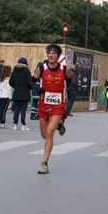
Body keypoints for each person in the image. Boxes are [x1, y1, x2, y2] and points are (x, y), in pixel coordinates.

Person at [32, 44, 71, 174]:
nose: (51, 55)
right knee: (44, 135)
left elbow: (71, 82)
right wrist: (37, 88)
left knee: (49, 132)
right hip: (44, 104)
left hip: (58, 104)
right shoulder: (41, 68)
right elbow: (31, 81)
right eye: (49, 53)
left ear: (58, 56)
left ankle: (44, 163)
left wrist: (69, 92)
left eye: (54, 53)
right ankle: (59, 125)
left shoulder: (65, 69)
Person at [9, 57, 33, 131]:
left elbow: (11, 82)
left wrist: (16, 87)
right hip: (25, 92)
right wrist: (29, 88)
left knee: (16, 109)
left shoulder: (14, 71)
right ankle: (23, 125)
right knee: (23, 109)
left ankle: (15, 124)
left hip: (16, 92)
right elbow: (30, 82)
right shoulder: (26, 71)